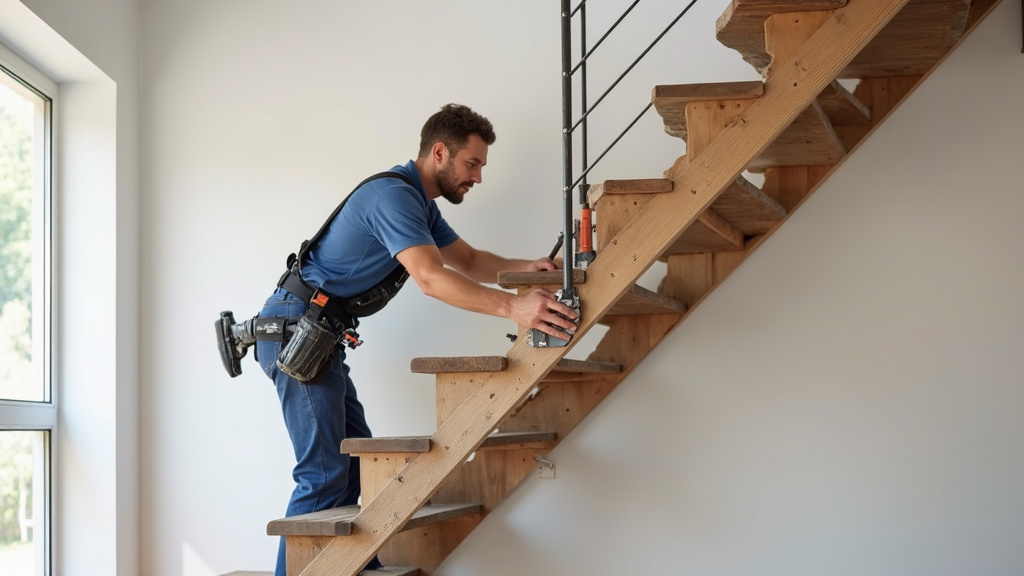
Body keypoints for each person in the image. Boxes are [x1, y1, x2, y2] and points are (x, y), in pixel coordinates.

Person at [256, 103, 579, 575]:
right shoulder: (393, 197)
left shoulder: (418, 202)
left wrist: (525, 269)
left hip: (317, 331)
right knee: (323, 473)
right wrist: (514, 307)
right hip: (296, 329)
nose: (478, 177)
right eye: (473, 164)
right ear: (441, 153)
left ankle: (354, 568)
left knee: (350, 470)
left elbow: (466, 260)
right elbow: (430, 278)